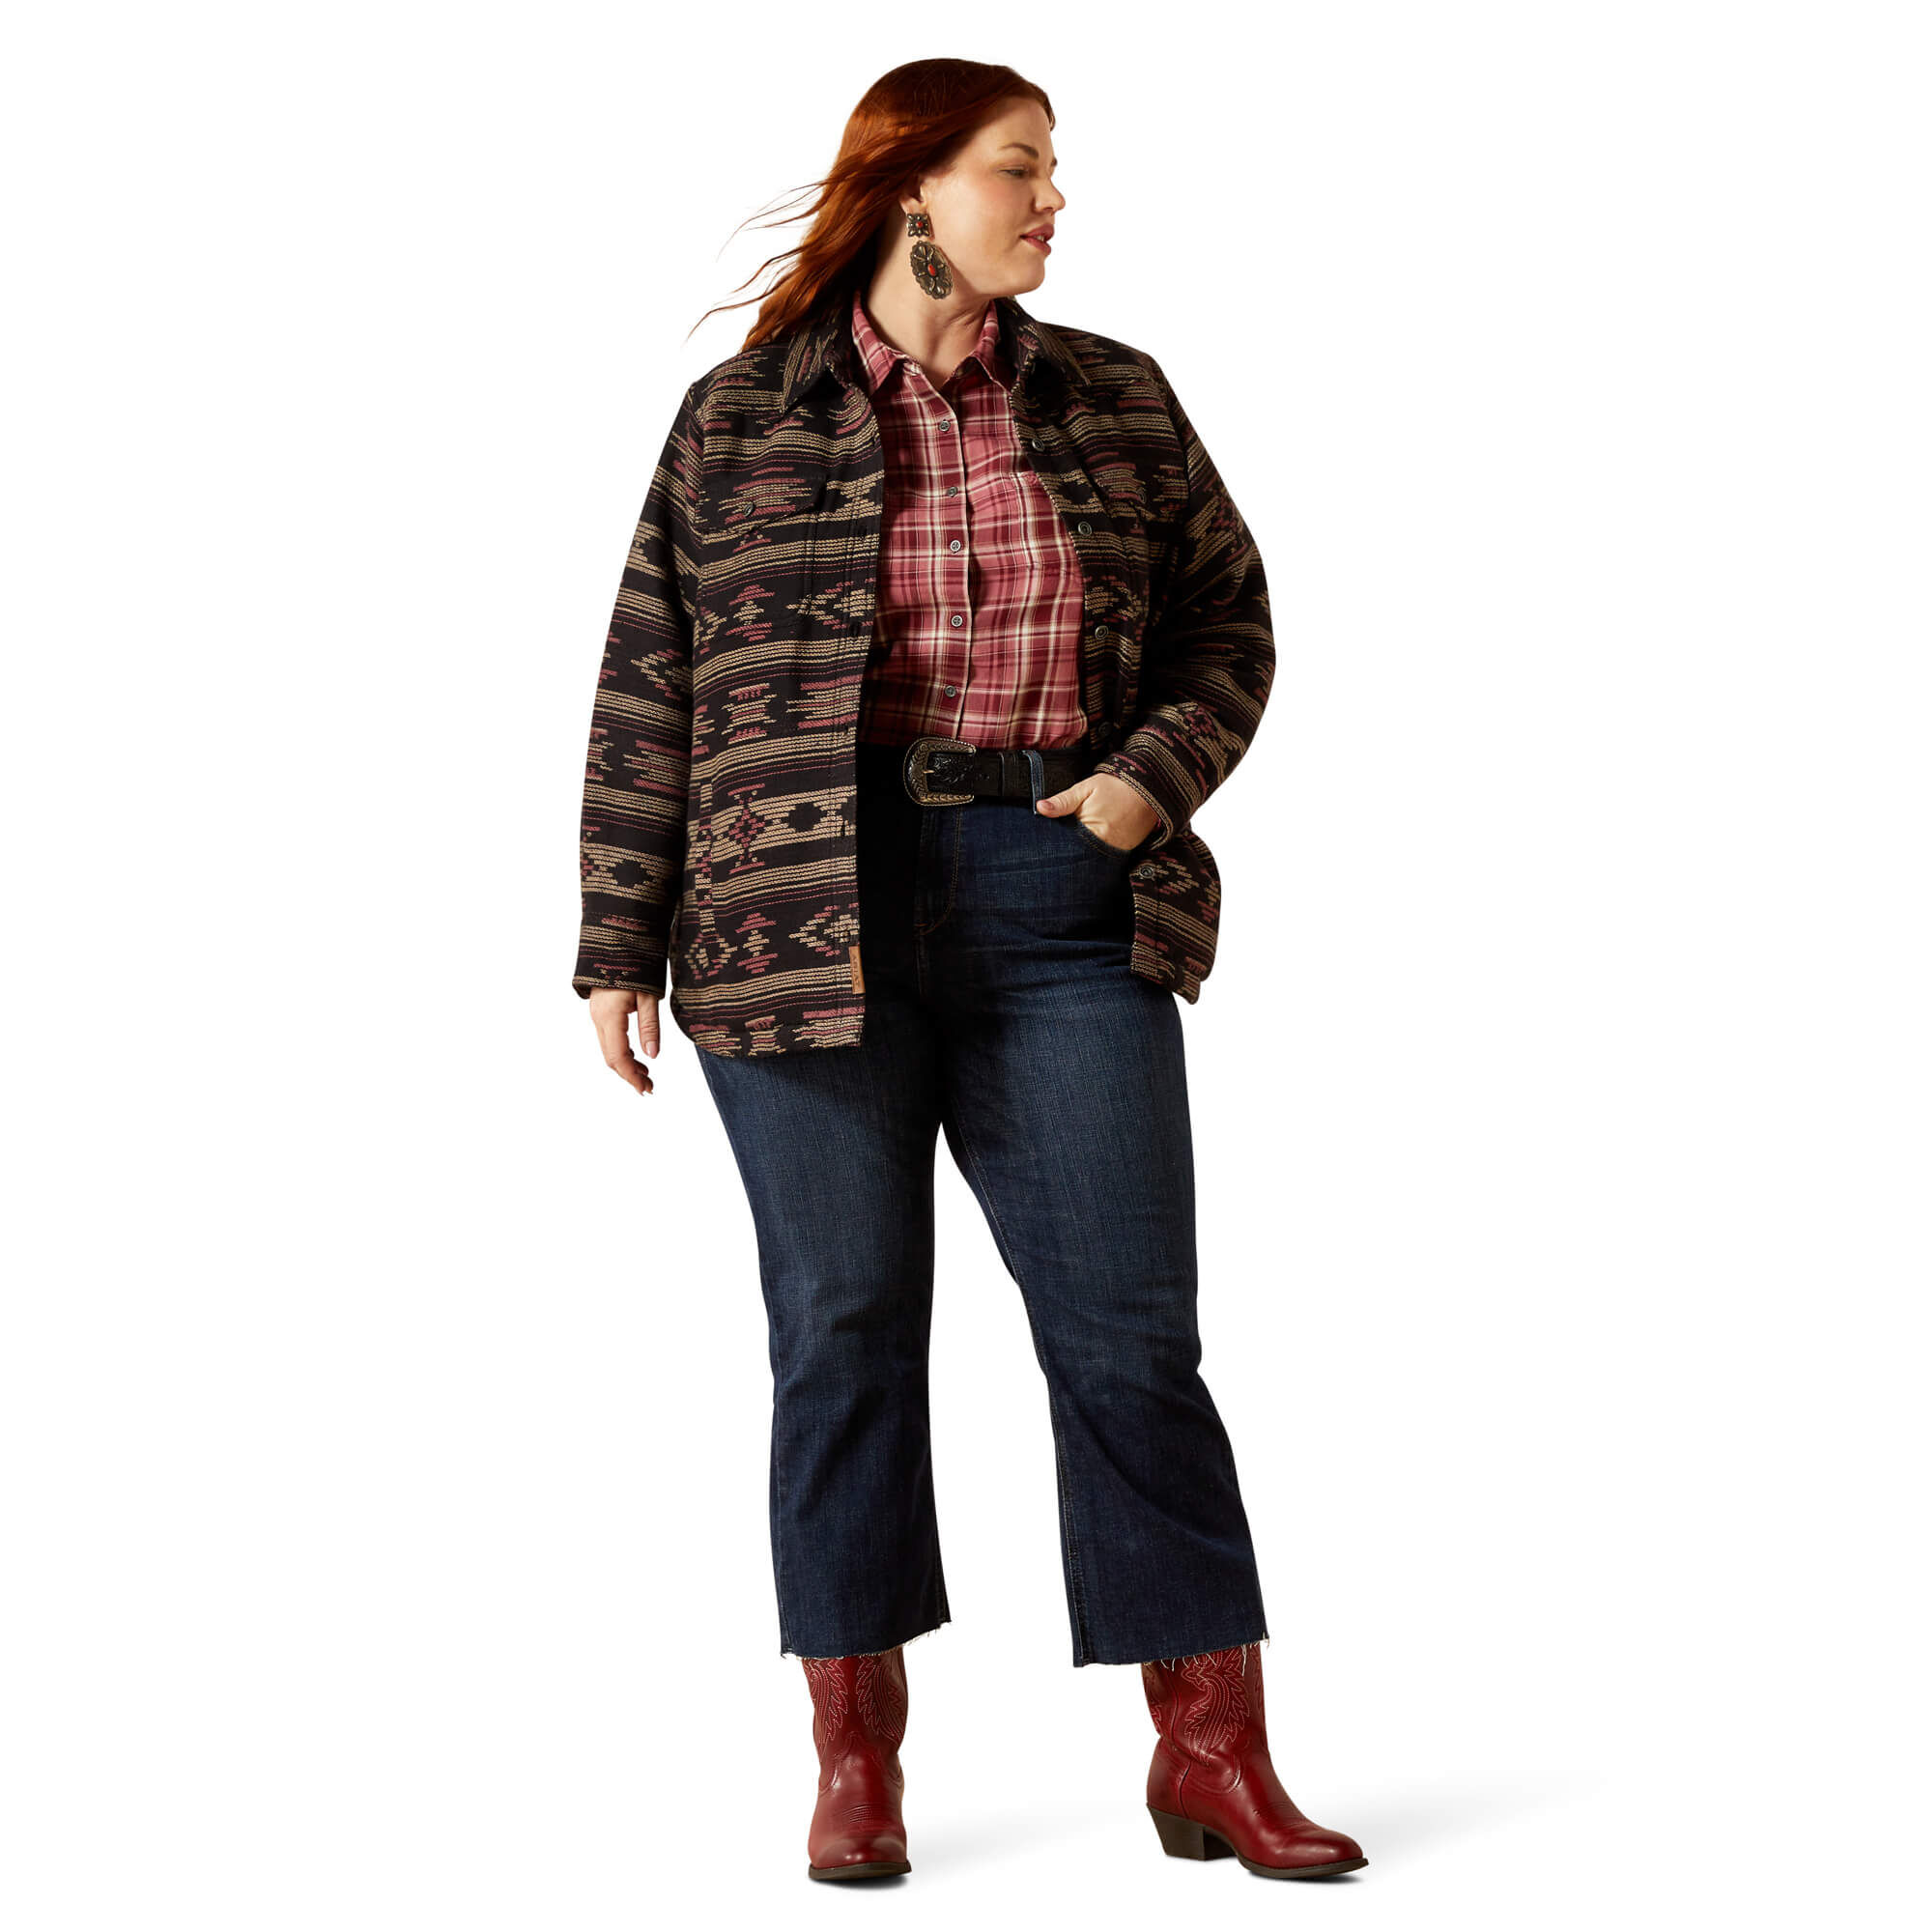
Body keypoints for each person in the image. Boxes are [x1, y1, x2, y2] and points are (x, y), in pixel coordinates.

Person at [573, 58, 1366, 1886]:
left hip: (1056, 894)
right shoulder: (740, 416)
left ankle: (1212, 1748)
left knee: (1130, 1337)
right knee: (842, 1331)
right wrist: (617, 931)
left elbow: (1229, 620)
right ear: (912, 188)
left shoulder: (1112, 397)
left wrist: (1143, 782)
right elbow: (649, 678)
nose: (1054, 200)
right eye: (1023, 169)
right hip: (795, 908)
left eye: (1051, 170)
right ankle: (857, 1761)